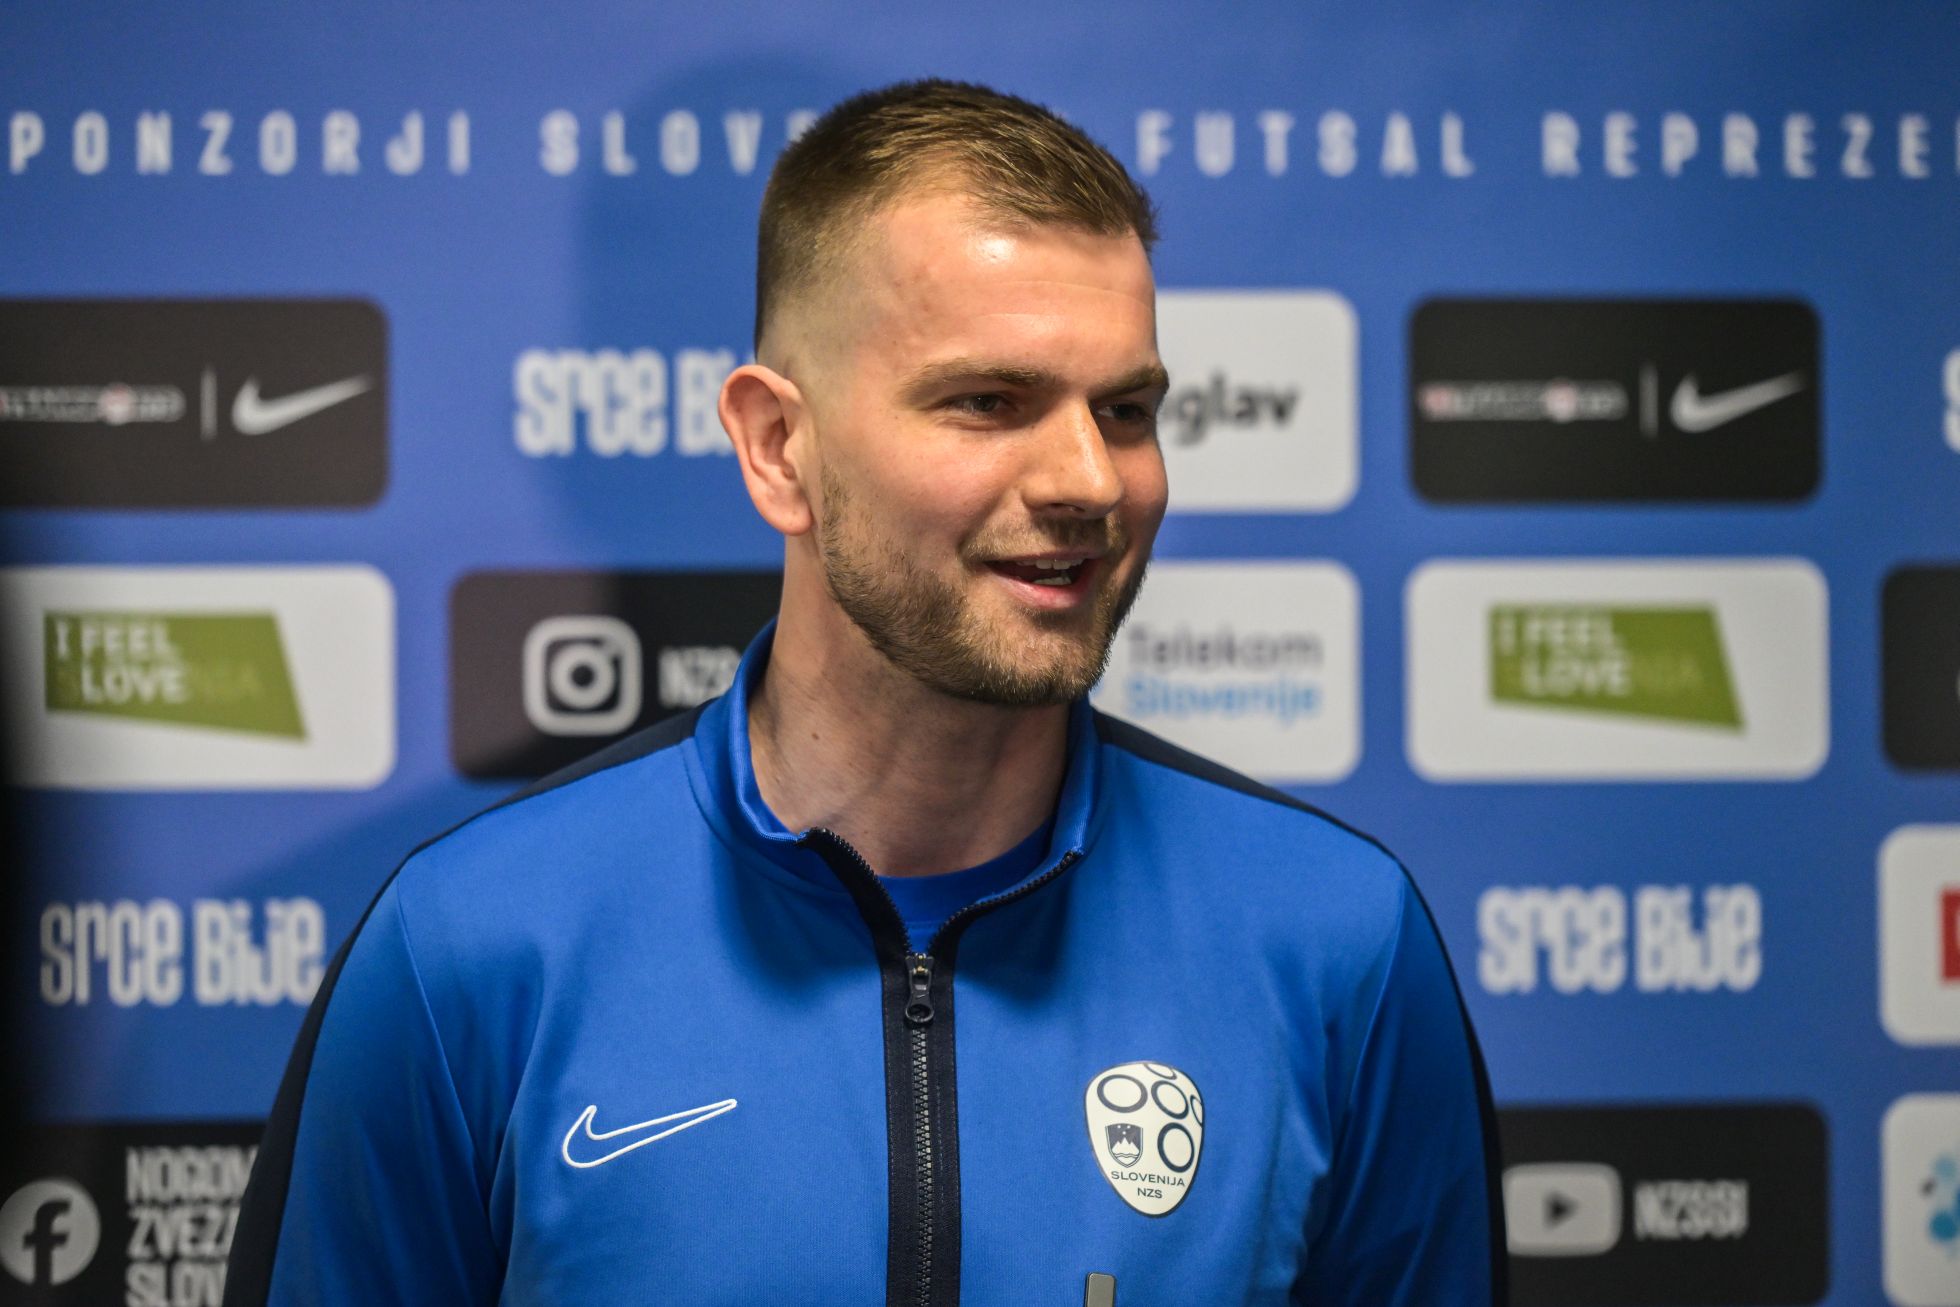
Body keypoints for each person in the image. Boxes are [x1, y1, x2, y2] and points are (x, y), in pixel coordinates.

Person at [223, 78, 1504, 1307]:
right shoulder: (470, 945)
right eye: (989, 401)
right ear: (779, 446)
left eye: (1124, 409)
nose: (1089, 480)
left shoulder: (1339, 938)